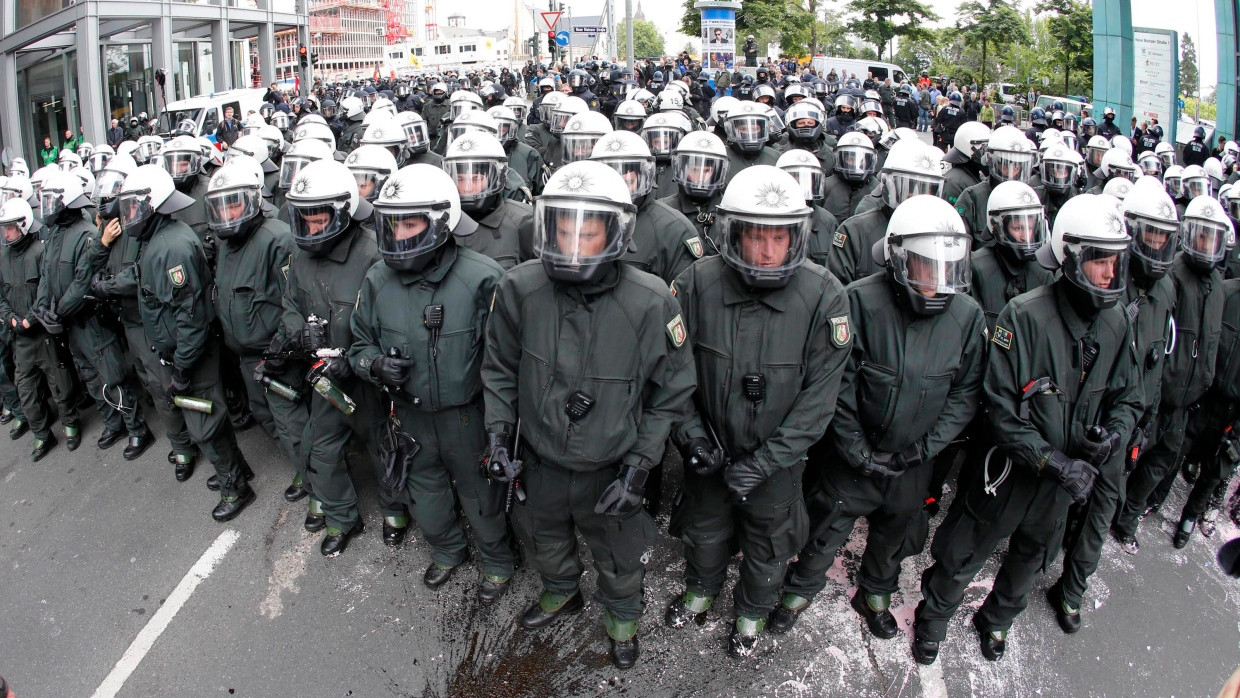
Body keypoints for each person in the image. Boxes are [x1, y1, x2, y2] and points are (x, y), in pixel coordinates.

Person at [481, 160, 696, 669]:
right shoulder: (520, 288)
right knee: (542, 534)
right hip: (539, 456)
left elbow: (671, 391)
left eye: (589, 231)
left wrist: (641, 464)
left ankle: (622, 617)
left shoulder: (650, 301)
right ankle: (561, 590)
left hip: (610, 464)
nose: (573, 243)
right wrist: (497, 437)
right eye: (561, 228)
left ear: (618, 232)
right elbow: (499, 370)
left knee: (619, 555)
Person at [912, 193, 1142, 665]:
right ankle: (934, 619)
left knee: (1031, 556)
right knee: (965, 549)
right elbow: (1000, 411)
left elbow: (1129, 395)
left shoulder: (1116, 322)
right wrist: (1051, 461)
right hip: (1009, 473)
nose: (1109, 275)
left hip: (1068, 477)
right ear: (1070, 257)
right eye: (1099, 263)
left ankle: (996, 621)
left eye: (1116, 263)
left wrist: (1113, 434)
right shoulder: (1025, 315)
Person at [772, 194, 985, 647]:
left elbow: (964, 394)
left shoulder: (967, 316)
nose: (936, 283)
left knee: (894, 533)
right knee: (826, 528)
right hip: (853, 456)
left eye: (948, 269)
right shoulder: (859, 302)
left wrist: (921, 451)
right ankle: (799, 590)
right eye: (926, 268)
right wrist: (856, 450)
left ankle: (875, 593)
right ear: (896, 260)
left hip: (912, 461)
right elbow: (838, 383)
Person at [665, 165, 851, 656]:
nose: (768, 252)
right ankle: (701, 591)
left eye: (780, 238)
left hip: (778, 462)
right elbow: (672, 375)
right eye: (755, 238)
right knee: (704, 532)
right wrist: (692, 439)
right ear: (732, 234)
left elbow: (818, 400)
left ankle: (750, 612)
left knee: (769, 546)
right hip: (710, 448)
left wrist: (767, 463)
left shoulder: (823, 295)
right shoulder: (696, 284)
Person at [350, 164, 515, 599]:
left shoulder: (482, 278)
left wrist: (501, 426)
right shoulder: (377, 279)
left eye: (412, 222)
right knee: (426, 494)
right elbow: (358, 345)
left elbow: (505, 361)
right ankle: (447, 551)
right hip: (408, 416)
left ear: (441, 223)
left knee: (482, 497)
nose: (400, 233)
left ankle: (497, 561)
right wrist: (375, 367)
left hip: (468, 417)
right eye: (393, 223)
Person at [1050, 176, 1178, 632]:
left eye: (1166, 238)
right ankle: (1047, 550)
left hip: (1123, 417)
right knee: (1058, 496)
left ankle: (1072, 589)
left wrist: (1141, 419)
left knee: (1106, 502)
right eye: (1152, 236)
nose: (1158, 247)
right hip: (1081, 412)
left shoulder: (1164, 293)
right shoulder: (1102, 280)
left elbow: (1159, 356)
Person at [121, 165, 256, 521]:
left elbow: (190, 316)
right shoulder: (160, 239)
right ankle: (237, 470)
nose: (130, 215)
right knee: (208, 415)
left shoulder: (172, 248)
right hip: (185, 350)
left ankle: (235, 488)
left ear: (154, 205)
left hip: (192, 353)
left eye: (135, 207)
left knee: (203, 423)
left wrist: (182, 365)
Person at [275, 158, 392, 555]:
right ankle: (343, 518)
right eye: (303, 219)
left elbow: (390, 320)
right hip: (327, 377)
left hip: (368, 379)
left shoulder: (372, 254)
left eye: (318, 218)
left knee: (383, 447)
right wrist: (299, 334)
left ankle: (396, 512)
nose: (310, 227)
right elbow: (290, 303)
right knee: (321, 448)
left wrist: (359, 358)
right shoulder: (302, 255)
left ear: (342, 212)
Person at [1113, 195, 1230, 552]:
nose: (1206, 246)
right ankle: (1106, 511)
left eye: (1213, 239)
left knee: (1163, 460)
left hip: (1187, 398)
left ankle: (1126, 518)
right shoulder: (1174, 275)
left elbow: (1210, 343)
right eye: (1200, 237)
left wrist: (1204, 382)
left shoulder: (1219, 285)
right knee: (1130, 456)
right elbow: (1162, 336)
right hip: (1160, 388)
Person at [206, 159, 309, 502]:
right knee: (265, 415)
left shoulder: (277, 238)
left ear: (252, 199)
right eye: (219, 206)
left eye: (233, 203)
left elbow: (294, 301)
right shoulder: (225, 244)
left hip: (276, 354)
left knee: (291, 423)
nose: (227, 214)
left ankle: (319, 486)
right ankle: (305, 467)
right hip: (246, 354)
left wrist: (281, 348)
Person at [38, 168, 154, 455]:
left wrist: (61, 310)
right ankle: (113, 422)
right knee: (89, 376)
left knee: (111, 375)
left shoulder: (87, 234)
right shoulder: (54, 235)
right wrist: (43, 305)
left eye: (53, 202)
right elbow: (46, 274)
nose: (48, 209)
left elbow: (83, 279)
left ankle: (137, 429)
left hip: (88, 318)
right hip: (69, 322)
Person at [0, 198, 78, 460]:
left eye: (9, 227)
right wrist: (11, 318)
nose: (6, 233)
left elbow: (48, 291)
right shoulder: (3, 257)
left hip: (42, 333)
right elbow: (0, 297)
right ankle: (42, 435)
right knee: (26, 389)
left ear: (23, 225)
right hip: (20, 339)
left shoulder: (40, 252)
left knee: (60, 383)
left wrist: (30, 320)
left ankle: (70, 424)